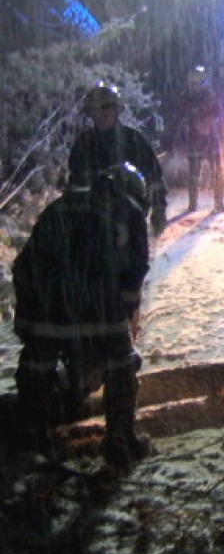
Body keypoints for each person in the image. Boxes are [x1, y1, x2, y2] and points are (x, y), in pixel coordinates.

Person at [13, 163, 153, 468]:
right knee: (122, 364)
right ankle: (119, 437)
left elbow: (24, 267)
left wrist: (28, 322)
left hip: (50, 308)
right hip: (100, 306)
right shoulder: (129, 211)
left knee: (37, 361)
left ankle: (34, 433)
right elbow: (135, 271)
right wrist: (123, 317)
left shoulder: (61, 206)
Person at [68, 82, 168, 236]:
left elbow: (154, 176)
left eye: (105, 110)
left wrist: (159, 208)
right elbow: (74, 185)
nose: (100, 116)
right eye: (95, 112)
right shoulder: (83, 144)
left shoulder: (133, 140)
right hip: (93, 223)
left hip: (129, 220)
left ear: (116, 111)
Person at [182, 65, 224, 213]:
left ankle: (219, 202)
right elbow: (184, 116)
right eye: (194, 83)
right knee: (194, 173)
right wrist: (196, 124)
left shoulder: (211, 97)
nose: (195, 86)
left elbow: (219, 115)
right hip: (195, 138)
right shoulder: (188, 98)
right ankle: (193, 204)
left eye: (198, 83)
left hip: (211, 138)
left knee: (217, 171)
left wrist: (210, 122)